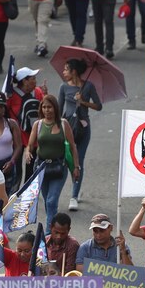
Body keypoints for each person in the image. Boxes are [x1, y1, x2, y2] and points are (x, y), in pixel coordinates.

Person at [25, 95, 81, 229]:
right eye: (44, 107)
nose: (46, 110)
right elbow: (30, 145)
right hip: (41, 167)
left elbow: (73, 146)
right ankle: (55, 229)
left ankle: (48, 233)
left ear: (55, 108)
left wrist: (76, 167)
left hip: (59, 167)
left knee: (51, 200)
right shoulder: (38, 125)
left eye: (49, 107)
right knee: (47, 201)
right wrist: (27, 152)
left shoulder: (63, 124)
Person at [59, 58, 102, 212]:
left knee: (79, 161)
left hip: (83, 129)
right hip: (67, 128)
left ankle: (74, 195)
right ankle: (69, 189)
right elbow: (58, 109)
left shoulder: (88, 86)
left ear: (74, 71)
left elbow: (98, 106)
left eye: (66, 69)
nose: (64, 72)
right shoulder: (63, 87)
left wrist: (83, 101)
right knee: (67, 160)